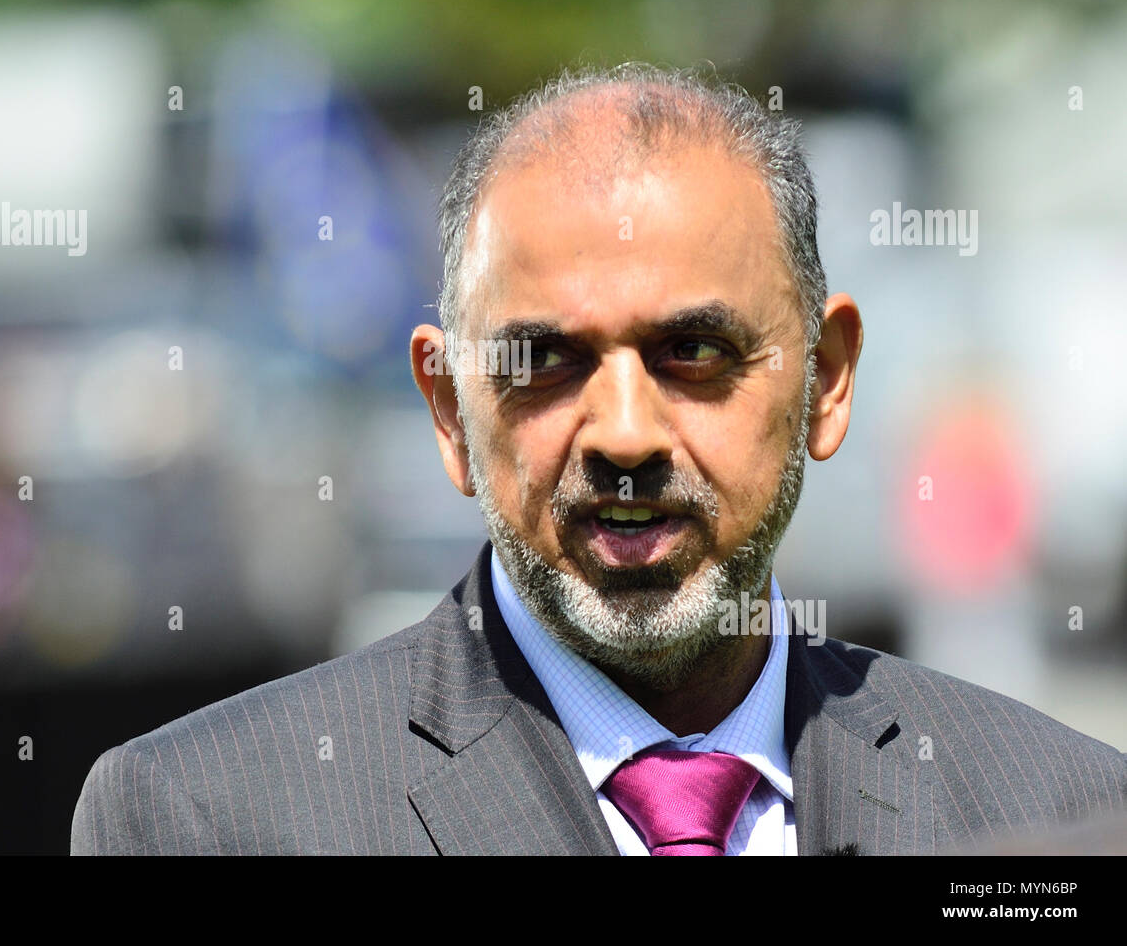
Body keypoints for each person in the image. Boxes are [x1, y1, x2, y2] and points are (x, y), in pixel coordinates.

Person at [71, 62, 1126, 855]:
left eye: (694, 352)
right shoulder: (212, 821)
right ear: (448, 408)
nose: (623, 433)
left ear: (827, 378)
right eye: (542, 360)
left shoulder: (1058, 812)